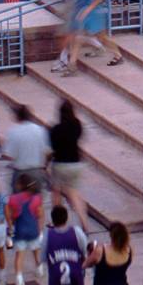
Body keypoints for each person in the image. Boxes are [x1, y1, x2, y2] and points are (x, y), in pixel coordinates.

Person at [49, 99, 88, 233]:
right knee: (74, 194)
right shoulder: (77, 125)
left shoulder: (55, 129)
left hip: (60, 164)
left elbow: (52, 148)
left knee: (56, 191)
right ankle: (84, 222)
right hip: (76, 164)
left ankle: (57, 222)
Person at [4, 103, 53, 199]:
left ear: (17, 116)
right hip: (36, 172)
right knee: (35, 204)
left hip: (20, 174)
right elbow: (48, 152)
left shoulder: (13, 131)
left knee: (18, 204)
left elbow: (9, 155)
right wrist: (44, 166)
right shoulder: (40, 130)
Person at [6, 172, 45, 285]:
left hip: (20, 231)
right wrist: (40, 229)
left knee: (20, 255)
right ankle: (39, 268)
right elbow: (40, 215)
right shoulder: (37, 198)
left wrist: (11, 224)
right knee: (36, 251)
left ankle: (19, 279)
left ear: (20, 185)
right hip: (33, 230)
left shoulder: (13, 199)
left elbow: (8, 213)